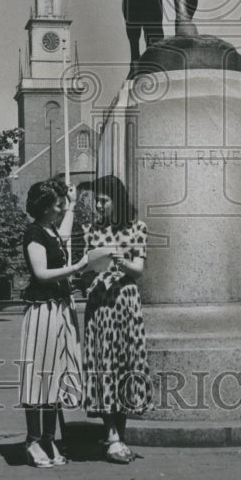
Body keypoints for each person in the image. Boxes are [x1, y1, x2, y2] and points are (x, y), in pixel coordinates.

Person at [82, 174, 152, 464]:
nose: (98, 205)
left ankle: (119, 435)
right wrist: (88, 273)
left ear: (117, 200)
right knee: (105, 365)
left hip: (125, 302)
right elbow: (86, 268)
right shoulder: (91, 231)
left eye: (103, 200)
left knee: (125, 364)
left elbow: (138, 270)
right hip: (100, 304)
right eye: (96, 200)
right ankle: (111, 435)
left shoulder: (137, 228)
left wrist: (120, 259)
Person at [19, 179, 88, 468]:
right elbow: (41, 274)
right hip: (43, 311)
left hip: (59, 309)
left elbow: (63, 233)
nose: (61, 208)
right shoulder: (34, 233)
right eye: (58, 204)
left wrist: (71, 205)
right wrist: (78, 267)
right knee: (40, 375)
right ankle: (33, 440)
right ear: (45, 207)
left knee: (57, 375)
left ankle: (48, 437)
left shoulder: (49, 231)